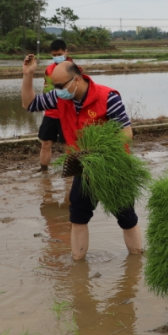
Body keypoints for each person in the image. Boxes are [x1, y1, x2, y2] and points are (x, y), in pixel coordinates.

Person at [20, 56, 142, 261]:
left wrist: (99, 152)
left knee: (126, 217)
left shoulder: (107, 97)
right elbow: (29, 104)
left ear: (76, 80)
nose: (56, 90)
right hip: (84, 168)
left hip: (112, 166)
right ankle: (78, 264)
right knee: (77, 217)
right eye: (54, 86)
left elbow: (126, 133)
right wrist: (28, 75)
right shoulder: (61, 97)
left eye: (59, 85)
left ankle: (136, 263)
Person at [38, 39, 71, 170]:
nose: (57, 57)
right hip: (51, 113)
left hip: (67, 113)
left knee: (68, 144)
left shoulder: (73, 68)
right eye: (54, 55)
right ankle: (43, 170)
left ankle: (71, 172)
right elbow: (45, 87)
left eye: (59, 54)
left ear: (65, 52)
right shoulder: (49, 69)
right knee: (45, 143)